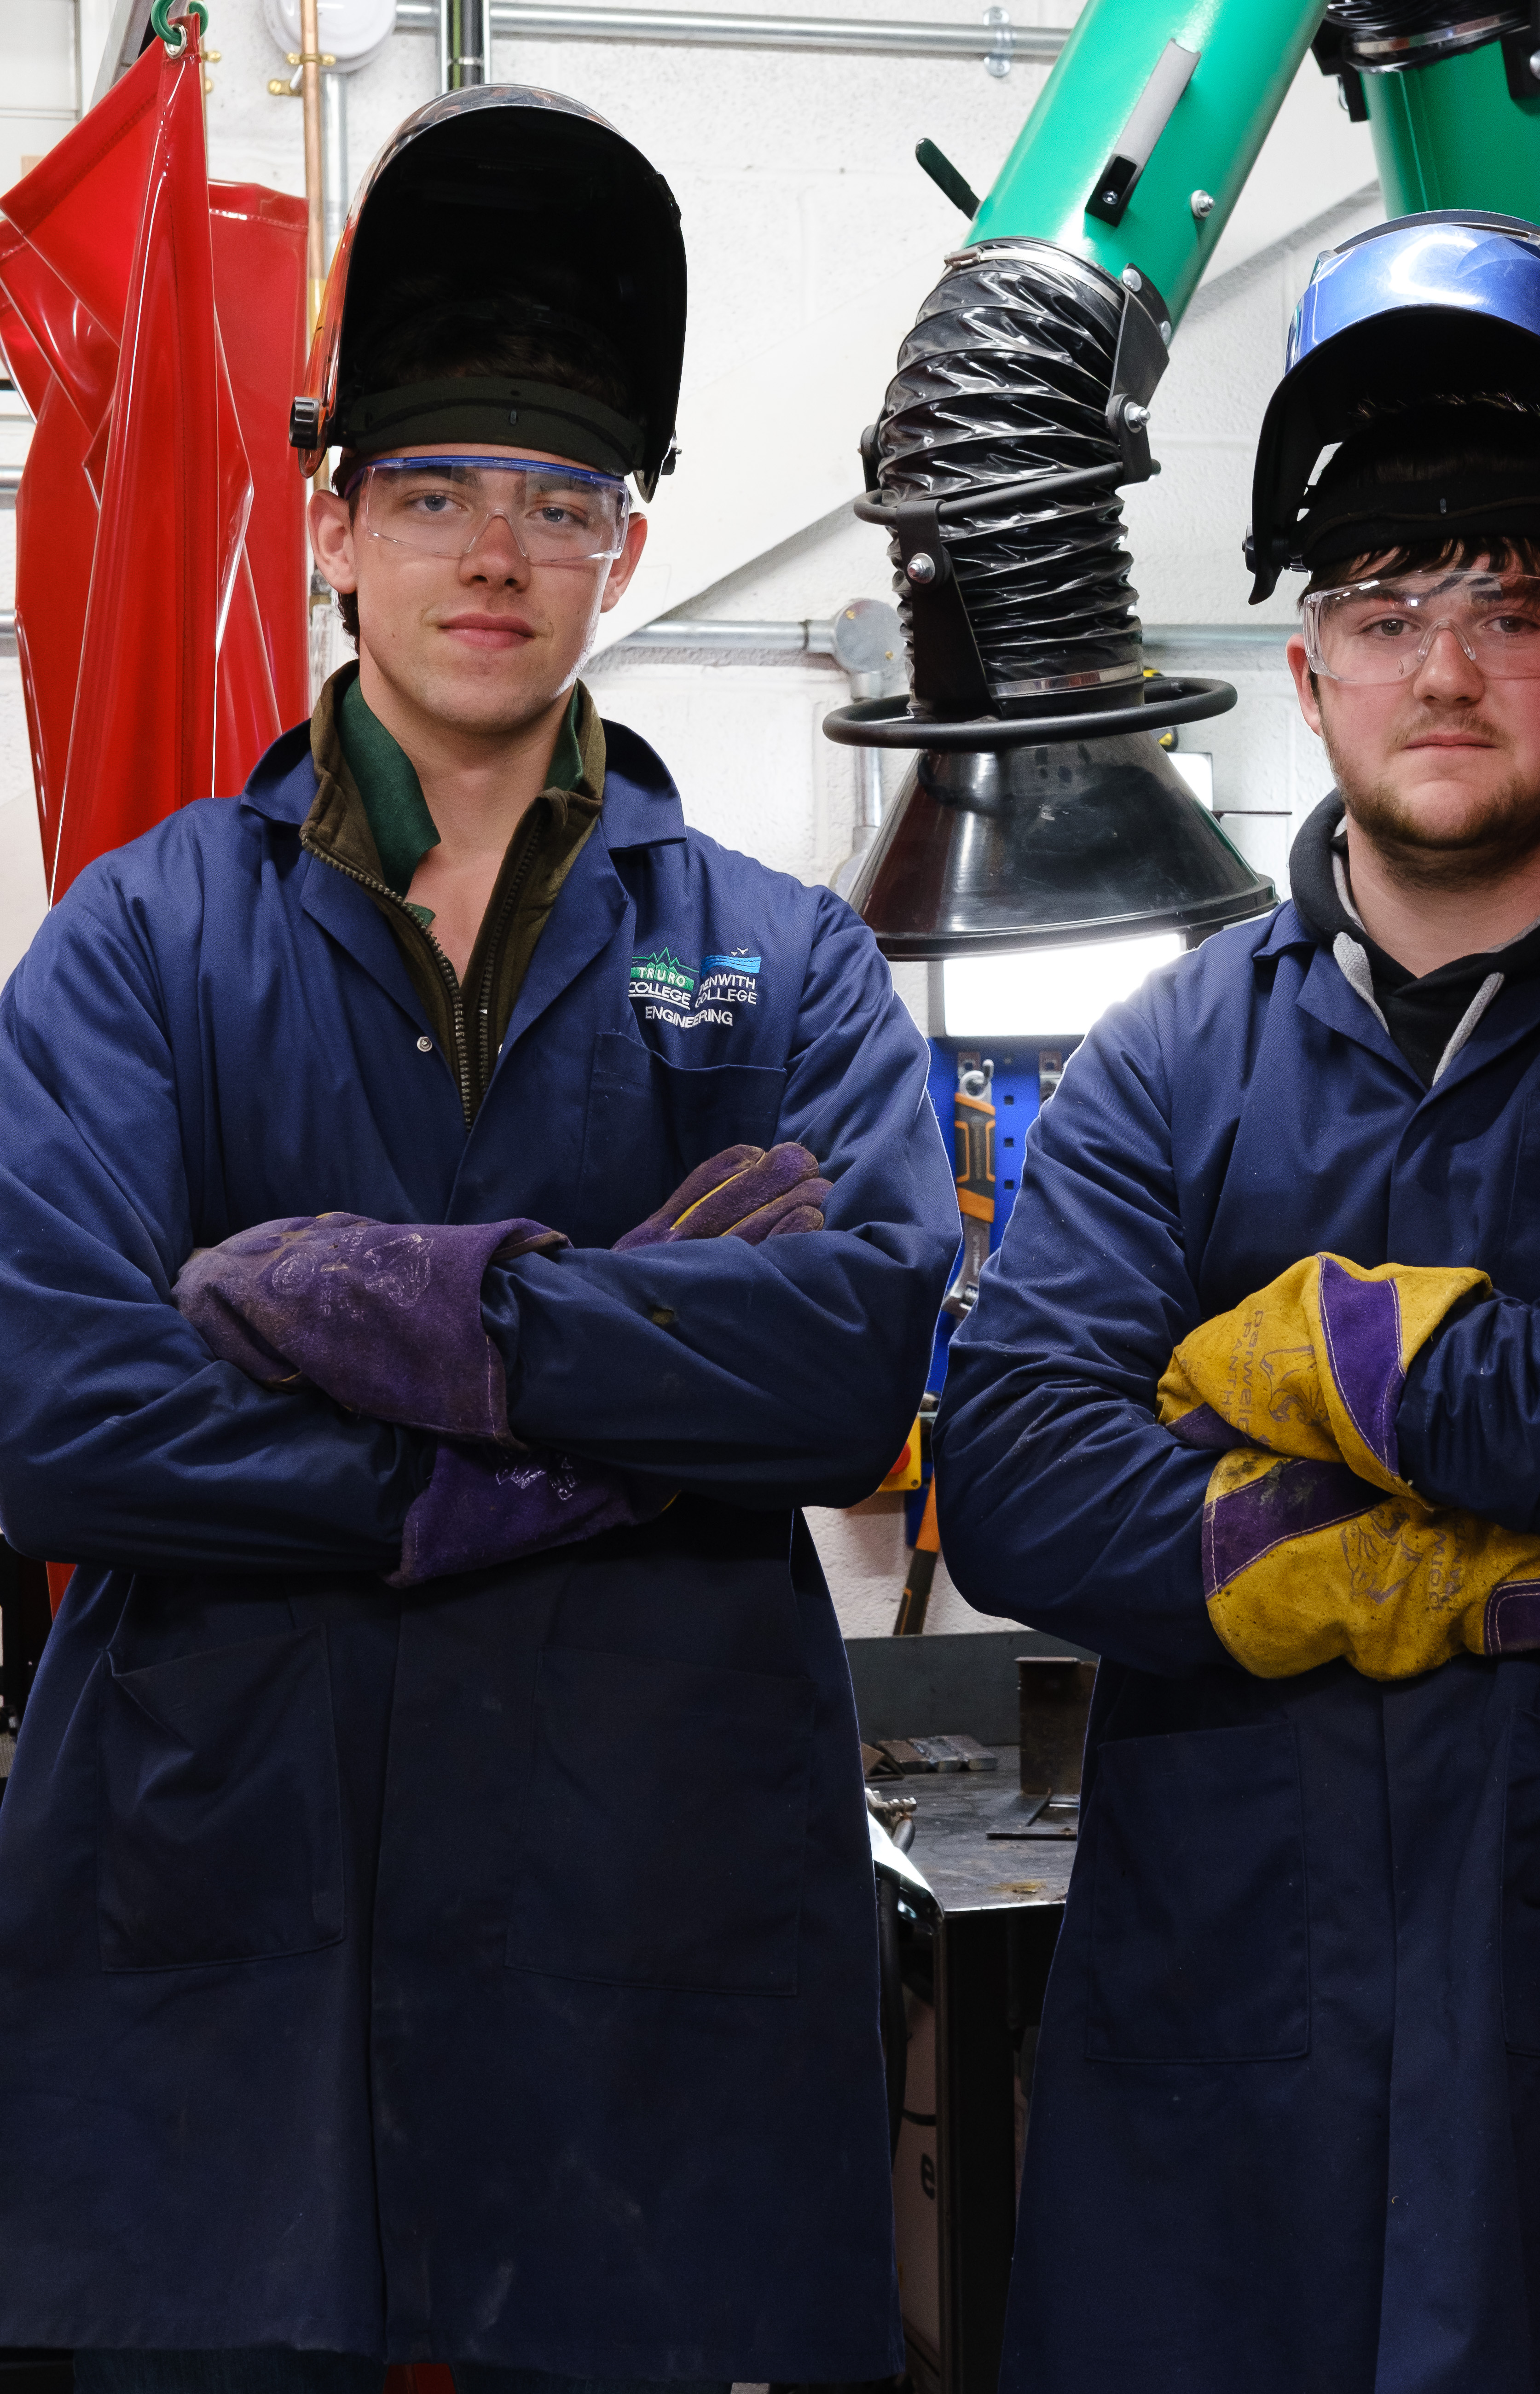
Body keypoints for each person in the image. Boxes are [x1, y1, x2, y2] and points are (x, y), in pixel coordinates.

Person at [0, 85, 954, 2394]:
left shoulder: (782, 964)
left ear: (626, 550)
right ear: (336, 529)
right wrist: (576, 1434)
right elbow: (55, 1411)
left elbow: (837, 1366)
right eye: (432, 492)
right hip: (222, 1937)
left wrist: (435, 1330)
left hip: (647, 1942)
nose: (493, 549)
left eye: (557, 499)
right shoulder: (144, 948)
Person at [935, 213, 1540, 2394]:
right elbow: (1026, 1472)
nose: (1440, 667)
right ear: (1301, 668)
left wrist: (1344, 1349)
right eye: (1381, 607)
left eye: (1508, 606)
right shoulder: (1167, 1053)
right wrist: (1409, 1563)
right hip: (1229, 2058)